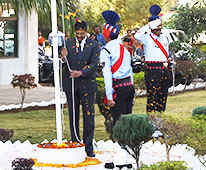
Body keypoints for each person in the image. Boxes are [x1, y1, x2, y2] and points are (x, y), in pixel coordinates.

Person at [100, 10, 135, 169]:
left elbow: (107, 75)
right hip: (129, 87)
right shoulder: (124, 49)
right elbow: (131, 71)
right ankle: (127, 157)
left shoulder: (105, 51)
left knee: (119, 123)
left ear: (106, 34)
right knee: (126, 122)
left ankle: (121, 160)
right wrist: (133, 91)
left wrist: (109, 96)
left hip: (118, 89)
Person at [61, 20, 100, 157]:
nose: (79, 36)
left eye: (82, 34)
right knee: (73, 115)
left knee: (89, 117)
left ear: (86, 32)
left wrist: (81, 72)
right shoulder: (67, 43)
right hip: (71, 85)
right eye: (77, 33)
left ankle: (88, 146)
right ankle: (76, 143)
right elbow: (61, 64)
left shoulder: (94, 45)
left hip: (87, 85)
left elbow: (95, 64)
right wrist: (62, 57)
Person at [134, 4, 171, 113]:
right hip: (153, 69)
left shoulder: (164, 38)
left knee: (163, 97)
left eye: (160, 26)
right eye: (156, 26)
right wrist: (149, 25)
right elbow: (137, 36)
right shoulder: (146, 38)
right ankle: (151, 122)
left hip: (165, 69)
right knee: (153, 97)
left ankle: (160, 121)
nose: (159, 28)